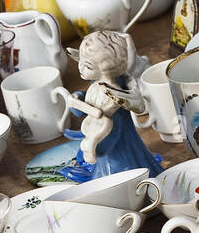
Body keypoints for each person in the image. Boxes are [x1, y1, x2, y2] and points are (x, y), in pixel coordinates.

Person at [61, 30, 162, 183]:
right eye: (80, 61)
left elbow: (129, 111)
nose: (80, 68)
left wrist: (98, 143)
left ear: (106, 69)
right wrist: (78, 98)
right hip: (99, 131)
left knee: (118, 164)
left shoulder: (116, 88)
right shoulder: (96, 83)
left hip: (117, 137)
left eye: (87, 65)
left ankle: (122, 180)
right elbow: (83, 110)